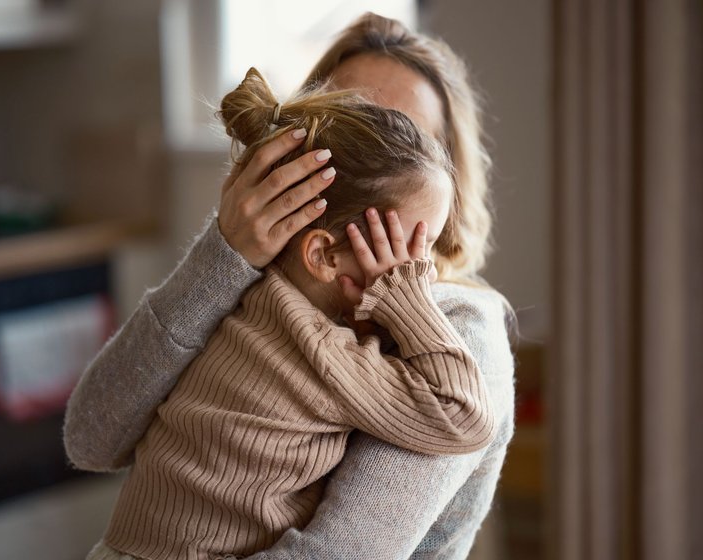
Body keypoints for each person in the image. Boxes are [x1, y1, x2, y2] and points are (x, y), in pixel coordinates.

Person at [65, 12, 514, 560]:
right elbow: (90, 437)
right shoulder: (261, 287)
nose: (385, 152)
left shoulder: (464, 325)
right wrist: (222, 255)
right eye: (355, 127)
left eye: (411, 138)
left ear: (449, 166)